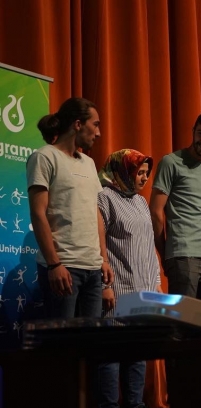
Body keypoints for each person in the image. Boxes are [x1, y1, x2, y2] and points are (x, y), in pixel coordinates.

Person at [27, 97, 114, 320]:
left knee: (90, 339)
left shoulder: (89, 163)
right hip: (64, 267)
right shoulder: (44, 157)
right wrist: (54, 264)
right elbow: (38, 213)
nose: (99, 133)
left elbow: (95, 213)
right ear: (77, 124)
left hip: (93, 269)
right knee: (63, 339)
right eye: (95, 125)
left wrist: (103, 259)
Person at [96, 150, 162, 408]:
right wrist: (105, 285)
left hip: (144, 289)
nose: (144, 178)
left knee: (137, 350)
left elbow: (149, 246)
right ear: (122, 171)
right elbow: (98, 244)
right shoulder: (104, 197)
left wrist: (156, 283)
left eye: (147, 173)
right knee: (112, 352)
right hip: (119, 287)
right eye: (139, 172)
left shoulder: (141, 202)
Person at [150, 112, 201, 306]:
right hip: (183, 255)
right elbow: (155, 211)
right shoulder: (171, 162)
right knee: (184, 321)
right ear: (193, 131)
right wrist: (165, 253)